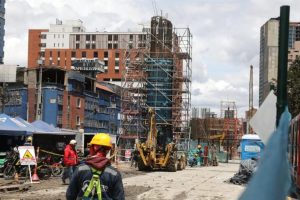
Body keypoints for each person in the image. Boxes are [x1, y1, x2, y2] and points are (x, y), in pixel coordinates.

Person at [66, 133, 125, 200]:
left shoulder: (80, 170)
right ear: (108, 150)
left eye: (90, 146)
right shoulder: (114, 174)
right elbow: (119, 198)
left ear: (95, 147)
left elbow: (70, 195)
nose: (89, 149)